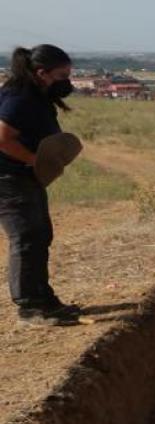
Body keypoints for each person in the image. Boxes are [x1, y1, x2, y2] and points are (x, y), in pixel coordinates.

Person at [0, 45, 78, 326]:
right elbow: (3, 138)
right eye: (62, 75)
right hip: (7, 178)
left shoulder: (36, 94)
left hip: (24, 176)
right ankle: (29, 307)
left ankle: (44, 300)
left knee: (40, 235)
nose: (66, 80)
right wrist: (34, 160)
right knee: (26, 237)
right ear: (42, 73)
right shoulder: (19, 98)